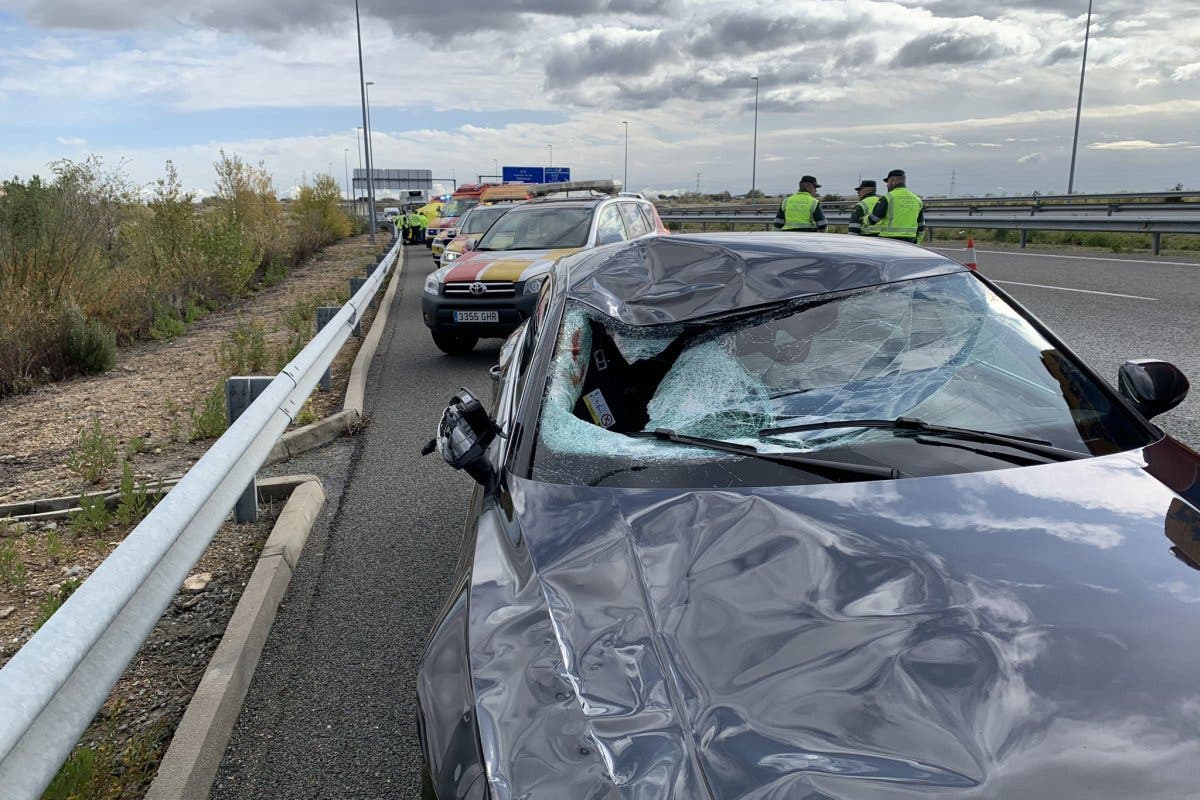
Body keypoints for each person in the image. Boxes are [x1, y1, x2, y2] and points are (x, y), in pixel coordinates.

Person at [868, 169, 925, 244]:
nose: (887, 185)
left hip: (889, 240)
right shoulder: (917, 200)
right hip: (910, 241)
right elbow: (921, 226)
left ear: (892, 181)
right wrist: (917, 242)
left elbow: (873, 220)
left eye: (887, 182)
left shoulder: (887, 198)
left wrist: (865, 218)